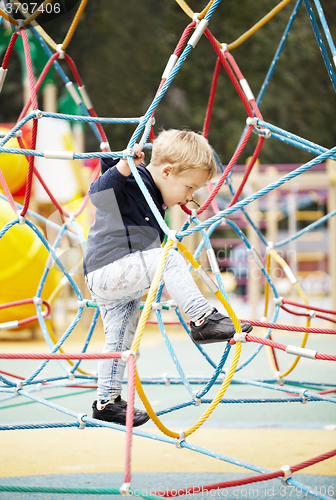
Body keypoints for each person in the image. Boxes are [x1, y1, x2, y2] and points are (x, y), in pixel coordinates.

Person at [84, 129, 252, 427]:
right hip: (108, 270)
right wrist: (124, 164)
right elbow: (98, 193)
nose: (191, 195)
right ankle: (201, 319)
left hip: (121, 279)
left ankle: (105, 401)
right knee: (169, 256)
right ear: (167, 171)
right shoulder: (135, 179)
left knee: (120, 339)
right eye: (189, 187)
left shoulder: (156, 196)